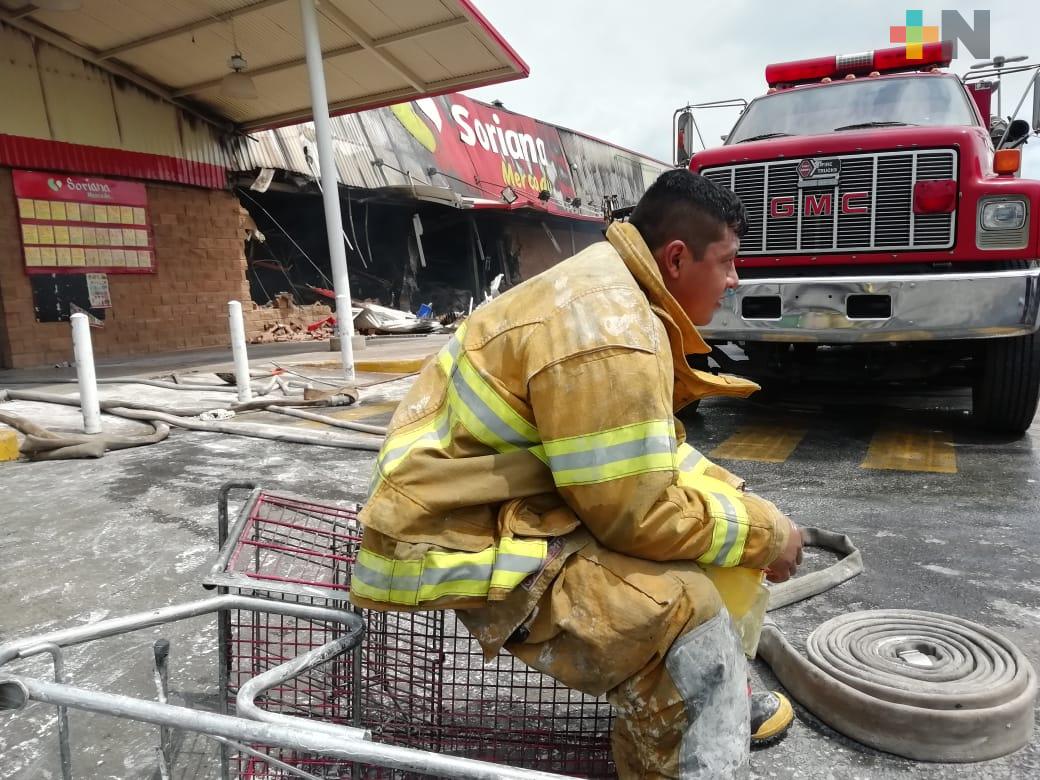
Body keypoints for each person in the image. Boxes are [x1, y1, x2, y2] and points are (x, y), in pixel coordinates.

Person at [351, 169, 804, 778]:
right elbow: (635, 514)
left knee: (708, 553)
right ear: (676, 258)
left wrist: (746, 504)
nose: (733, 279)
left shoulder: (614, 292)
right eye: (727, 262)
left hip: (494, 501)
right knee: (682, 626)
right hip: (453, 531)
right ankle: (700, 714)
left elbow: (649, 456)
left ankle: (704, 710)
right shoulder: (609, 328)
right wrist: (767, 535)